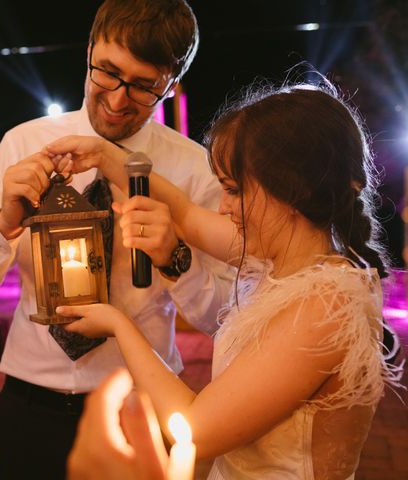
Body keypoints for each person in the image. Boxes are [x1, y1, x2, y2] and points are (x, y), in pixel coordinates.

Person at [47, 81, 405, 479]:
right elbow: (182, 212)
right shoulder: (283, 256)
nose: (222, 206)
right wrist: (103, 154)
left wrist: (118, 324)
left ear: (293, 191)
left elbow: (195, 431)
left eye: (234, 190)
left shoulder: (325, 306)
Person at [0, 1, 233, 477]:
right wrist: (5, 223)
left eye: (144, 87)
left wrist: (175, 258)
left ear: (170, 84)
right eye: (107, 72)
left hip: (139, 411)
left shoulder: (193, 169)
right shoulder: (23, 143)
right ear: (89, 50)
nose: (119, 100)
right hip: (28, 406)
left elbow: (222, 319)